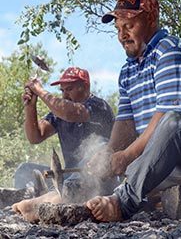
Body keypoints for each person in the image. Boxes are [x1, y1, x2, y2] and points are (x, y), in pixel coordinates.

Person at [86, 0, 181, 222]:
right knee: (100, 157)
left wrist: (126, 155)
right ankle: (72, 194)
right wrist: (109, 153)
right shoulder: (128, 70)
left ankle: (123, 203)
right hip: (162, 163)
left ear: (150, 20)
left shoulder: (169, 51)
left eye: (129, 26)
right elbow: (125, 121)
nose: (122, 35)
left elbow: (169, 116)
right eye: (118, 28)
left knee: (174, 121)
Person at [12, 66, 117, 222]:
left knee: (99, 146)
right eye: (62, 91)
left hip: (98, 179)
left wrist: (40, 91)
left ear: (85, 87)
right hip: (67, 177)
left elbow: (71, 113)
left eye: (69, 89)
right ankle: (47, 200)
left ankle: (39, 205)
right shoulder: (60, 112)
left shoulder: (98, 106)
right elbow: (35, 136)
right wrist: (30, 106)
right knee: (25, 170)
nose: (64, 95)